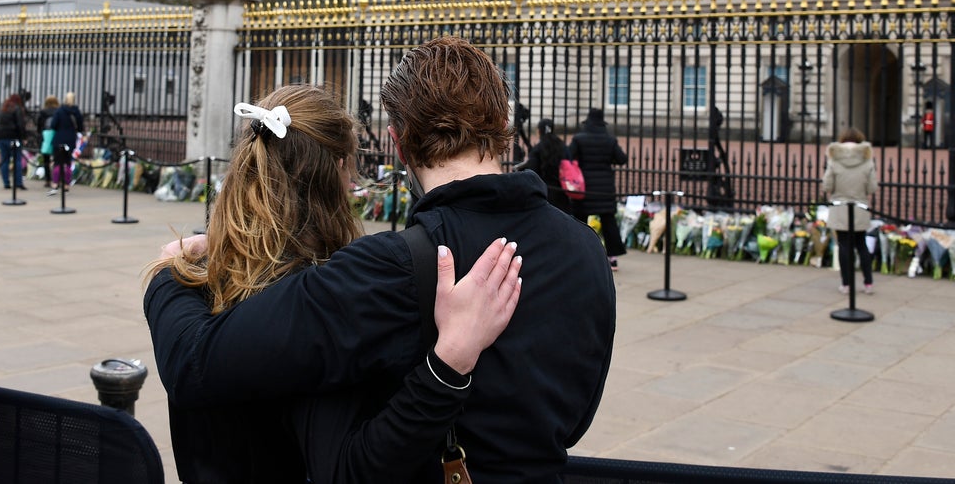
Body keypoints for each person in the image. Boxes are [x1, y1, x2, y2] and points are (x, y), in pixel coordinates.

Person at [145, 37, 616, 484]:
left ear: (398, 141)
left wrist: (169, 273)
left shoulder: (389, 267)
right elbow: (573, 422)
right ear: (504, 127)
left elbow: (196, 364)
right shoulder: (585, 250)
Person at [569, 107, 628, 271]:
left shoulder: (579, 139)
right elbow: (622, 159)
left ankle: (579, 254)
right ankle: (613, 259)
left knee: (580, 222)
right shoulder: (610, 140)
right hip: (605, 188)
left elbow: (568, 156)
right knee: (609, 222)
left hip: (584, 188)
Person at [821, 127, 878, 295]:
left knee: (844, 245)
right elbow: (872, 187)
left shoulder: (834, 161)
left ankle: (846, 283)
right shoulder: (867, 161)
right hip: (859, 205)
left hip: (840, 205)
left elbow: (827, 185)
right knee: (861, 245)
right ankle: (868, 283)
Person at [516, 117, 571, 213]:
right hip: (562, 193)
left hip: (543, 193)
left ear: (539, 131)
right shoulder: (562, 146)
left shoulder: (538, 149)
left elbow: (532, 173)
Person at [48, 91, 84, 193]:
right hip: (70, 139)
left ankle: (55, 183)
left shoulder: (59, 111)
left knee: (58, 162)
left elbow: (53, 125)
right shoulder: (76, 112)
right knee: (68, 162)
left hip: (59, 138)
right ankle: (66, 184)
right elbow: (80, 127)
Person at [0, 93, 27, 190]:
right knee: (17, 159)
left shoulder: (2, 109)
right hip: (14, 137)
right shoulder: (17, 109)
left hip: (2, 137)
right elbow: (20, 124)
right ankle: (18, 183)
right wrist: (23, 137)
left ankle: (6, 183)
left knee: (5, 160)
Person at [37, 95, 59, 188]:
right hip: (56, 136)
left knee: (46, 159)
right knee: (57, 159)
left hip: (45, 136)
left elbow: (39, 124)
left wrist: (40, 133)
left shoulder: (43, 112)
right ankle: (56, 179)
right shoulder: (58, 111)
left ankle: (47, 180)